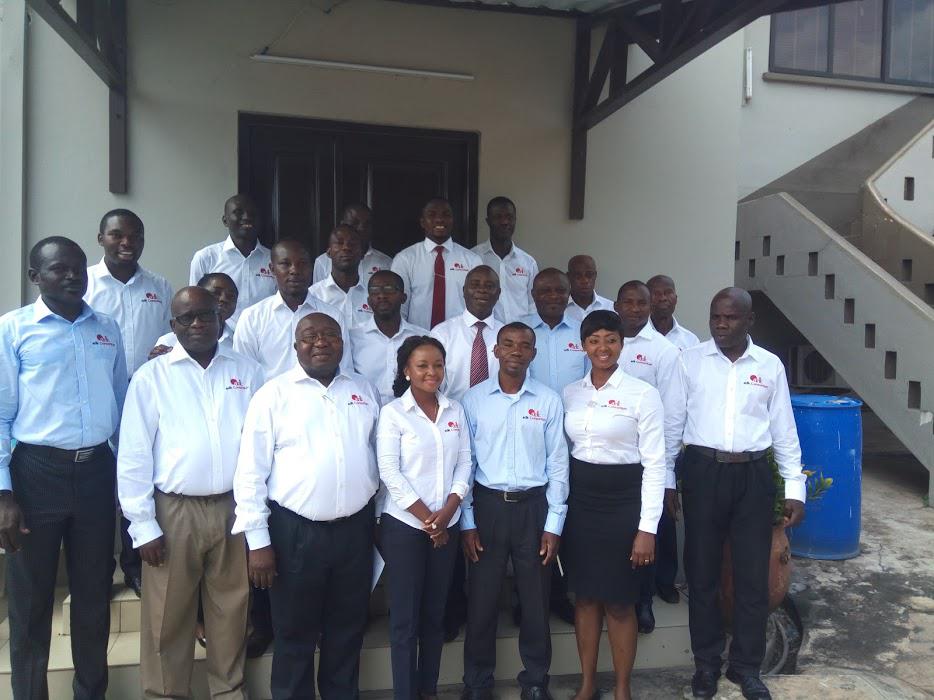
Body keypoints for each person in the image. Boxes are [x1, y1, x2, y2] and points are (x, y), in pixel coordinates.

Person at [117, 286, 263, 699]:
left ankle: (229, 691)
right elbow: (133, 455)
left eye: (206, 315)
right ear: (173, 325)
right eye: (187, 318)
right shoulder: (152, 377)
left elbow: (260, 445)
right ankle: (165, 694)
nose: (198, 323)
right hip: (173, 511)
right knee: (167, 616)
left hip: (234, 507)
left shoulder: (248, 371)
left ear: (221, 319)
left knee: (232, 610)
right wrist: (142, 525)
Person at [0, 237, 128, 700]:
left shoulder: (106, 328)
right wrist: (3, 492)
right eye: (59, 269)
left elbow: (122, 404)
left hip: (96, 472)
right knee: (31, 603)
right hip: (35, 474)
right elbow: (0, 414)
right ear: (35, 277)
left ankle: (91, 693)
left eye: (78, 267)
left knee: (93, 596)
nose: (73, 276)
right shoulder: (13, 329)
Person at [233, 312, 381, 699]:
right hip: (295, 532)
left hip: (355, 529)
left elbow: (375, 456)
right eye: (310, 336)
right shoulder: (273, 395)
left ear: (342, 344)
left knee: (347, 628)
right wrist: (257, 542)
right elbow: (250, 472)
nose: (320, 342)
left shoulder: (364, 390)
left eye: (330, 335)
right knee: (294, 632)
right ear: (295, 346)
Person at [676, 288, 805, 700]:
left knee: (752, 576)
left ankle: (746, 667)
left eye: (730, 317)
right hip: (703, 471)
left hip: (753, 476)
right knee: (702, 574)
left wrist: (795, 487)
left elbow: (784, 429)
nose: (720, 324)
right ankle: (706, 664)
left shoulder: (769, 365)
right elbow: (672, 424)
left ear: (749, 321)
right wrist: (665, 483)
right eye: (715, 316)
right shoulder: (690, 360)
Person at [460, 322, 570, 700]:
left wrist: (554, 523)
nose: (516, 352)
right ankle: (477, 682)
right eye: (507, 344)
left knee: (536, 600)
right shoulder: (473, 400)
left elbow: (558, 464)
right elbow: (466, 464)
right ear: (495, 351)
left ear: (533, 354)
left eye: (524, 346)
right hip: (488, 508)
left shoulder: (548, 401)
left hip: (534, 509)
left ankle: (536, 680)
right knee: (482, 601)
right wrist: (467, 521)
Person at [561, 310, 667, 700]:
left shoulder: (643, 394)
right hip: (581, 505)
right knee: (586, 597)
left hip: (624, 505)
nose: (602, 348)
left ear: (622, 344)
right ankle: (587, 683)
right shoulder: (571, 393)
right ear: (583, 346)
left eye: (610, 339)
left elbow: (656, 463)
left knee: (621, 603)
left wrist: (647, 528)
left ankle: (623, 689)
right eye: (594, 340)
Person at [376, 336, 472, 700]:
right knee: (405, 620)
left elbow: (465, 462)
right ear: (406, 370)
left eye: (438, 365)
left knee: (435, 615)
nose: (432, 372)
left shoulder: (455, 410)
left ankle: (428, 690)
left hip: (446, 525)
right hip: (404, 529)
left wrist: (448, 511)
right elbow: (390, 472)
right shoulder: (393, 414)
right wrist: (430, 520)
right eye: (422, 366)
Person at [83, 208, 171, 598]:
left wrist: (164, 350)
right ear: (101, 238)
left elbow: (172, 334)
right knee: (101, 486)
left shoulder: (159, 286)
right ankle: (100, 569)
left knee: (139, 476)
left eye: (135, 235)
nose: (126, 242)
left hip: (148, 397)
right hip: (101, 396)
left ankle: (134, 566)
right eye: (117, 234)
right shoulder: (85, 283)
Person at [614, 280, 686, 633]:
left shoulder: (663, 351)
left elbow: (673, 415)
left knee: (645, 531)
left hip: (646, 462)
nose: (635, 309)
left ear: (650, 306)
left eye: (641, 303)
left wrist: (666, 469)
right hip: (608, 460)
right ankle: (614, 597)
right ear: (616, 306)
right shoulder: (604, 340)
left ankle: (643, 602)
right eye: (627, 302)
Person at [520, 268, 587, 626]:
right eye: (544, 291)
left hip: (574, 442)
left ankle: (560, 595)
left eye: (559, 291)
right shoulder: (522, 332)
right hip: (530, 436)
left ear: (568, 294)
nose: (552, 297)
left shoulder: (581, 332)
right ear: (533, 294)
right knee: (531, 523)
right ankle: (526, 600)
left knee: (566, 520)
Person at [234, 239, 352, 379]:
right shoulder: (252, 318)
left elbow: (344, 371)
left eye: (302, 264)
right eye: (285, 264)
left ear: (311, 267)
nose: (295, 270)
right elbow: (244, 374)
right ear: (272, 269)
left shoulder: (332, 316)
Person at [391, 198, 482, 330]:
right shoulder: (405, 259)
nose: (439, 219)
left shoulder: (472, 260)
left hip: (458, 337)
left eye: (446, 214)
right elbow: (399, 306)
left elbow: (477, 305)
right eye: (432, 215)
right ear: (422, 222)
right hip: (417, 336)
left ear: (453, 220)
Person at [190, 194, 276, 321]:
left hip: (264, 332)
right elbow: (195, 303)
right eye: (238, 212)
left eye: (252, 213)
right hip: (220, 332)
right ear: (225, 220)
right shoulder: (206, 258)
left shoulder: (274, 259)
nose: (246, 217)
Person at [350, 270, 427, 405]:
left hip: (410, 413)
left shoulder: (422, 339)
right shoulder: (353, 338)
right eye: (374, 291)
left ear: (404, 297)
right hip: (366, 411)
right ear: (368, 300)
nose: (381, 295)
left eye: (389, 289)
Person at [429, 265, 503, 402]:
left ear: (498, 293)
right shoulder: (442, 334)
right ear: (464, 291)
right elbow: (429, 384)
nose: (482, 290)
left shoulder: (507, 336)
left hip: (497, 412)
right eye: (475, 285)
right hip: (451, 412)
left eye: (489, 286)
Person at [472, 197, 538, 322]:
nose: (504, 222)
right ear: (488, 221)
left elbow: (533, 305)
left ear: (515, 220)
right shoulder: (473, 258)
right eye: (498, 217)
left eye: (509, 217)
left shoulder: (528, 262)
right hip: (486, 331)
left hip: (521, 331)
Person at [150, 272, 239, 357]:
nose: (223, 299)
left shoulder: (237, 340)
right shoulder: (168, 341)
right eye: (216, 293)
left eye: (231, 296)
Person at [308, 224, 373, 329]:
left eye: (352, 244)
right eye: (339, 243)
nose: (346, 248)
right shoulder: (313, 295)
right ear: (329, 252)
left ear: (362, 254)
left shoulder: (372, 295)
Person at [313, 203, 392, 284]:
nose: (361, 228)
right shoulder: (322, 262)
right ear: (343, 224)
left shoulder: (386, 262)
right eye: (355, 223)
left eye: (367, 224)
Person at [647, 274, 700, 350]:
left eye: (668, 292)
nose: (663, 298)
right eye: (656, 294)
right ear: (647, 300)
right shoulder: (636, 336)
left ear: (676, 298)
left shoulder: (691, 341)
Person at [564, 255, 614, 323]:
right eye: (578, 275)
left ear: (595, 276)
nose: (584, 280)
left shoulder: (610, 307)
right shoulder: (560, 308)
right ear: (568, 277)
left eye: (589, 275)